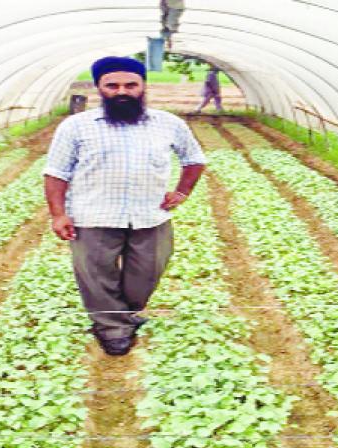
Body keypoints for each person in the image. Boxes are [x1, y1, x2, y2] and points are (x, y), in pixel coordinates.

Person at [44, 56, 207, 356]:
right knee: (96, 274)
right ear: (99, 88)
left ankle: (124, 313)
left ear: (143, 86)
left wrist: (182, 192)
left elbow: (194, 160)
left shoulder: (169, 124)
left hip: (150, 215)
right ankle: (112, 328)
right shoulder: (77, 126)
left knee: (147, 272)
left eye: (131, 84)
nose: (122, 91)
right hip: (93, 215)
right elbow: (56, 172)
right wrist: (58, 214)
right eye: (112, 85)